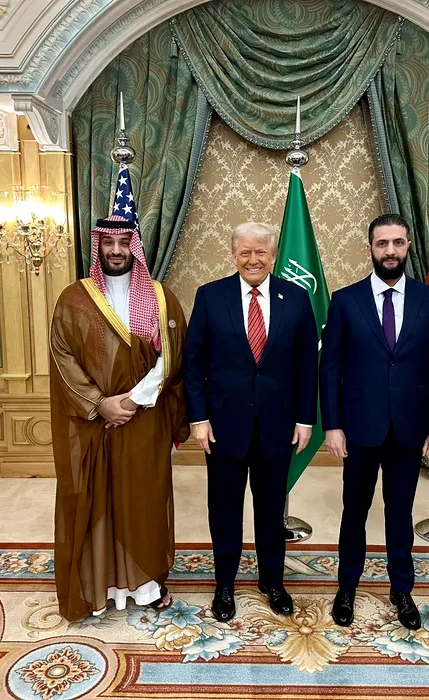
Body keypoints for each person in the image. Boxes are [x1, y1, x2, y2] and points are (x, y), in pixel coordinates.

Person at [49, 215, 189, 622]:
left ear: (135, 248)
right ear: (98, 246)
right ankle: (99, 587)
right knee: (97, 500)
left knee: (143, 500)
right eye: (108, 242)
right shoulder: (74, 298)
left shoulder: (162, 297)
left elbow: (173, 356)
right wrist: (99, 403)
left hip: (145, 420)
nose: (115, 250)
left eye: (124, 242)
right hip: (92, 422)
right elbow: (62, 357)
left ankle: (145, 586)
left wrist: (132, 401)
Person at [320, 213, 429, 630]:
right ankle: (347, 587)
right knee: (354, 512)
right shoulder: (345, 300)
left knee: (400, 512)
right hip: (359, 428)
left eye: (397, 242)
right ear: (370, 248)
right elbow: (330, 368)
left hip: (409, 429)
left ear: (408, 245)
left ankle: (402, 590)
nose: (390, 251)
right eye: (382, 244)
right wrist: (332, 425)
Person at [184, 222, 318, 622]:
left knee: (271, 510)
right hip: (223, 426)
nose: (253, 259)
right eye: (245, 252)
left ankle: (272, 582)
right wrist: (198, 419)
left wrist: (305, 419)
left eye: (261, 252)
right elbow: (194, 363)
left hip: (278, 425)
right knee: (224, 510)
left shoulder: (296, 298)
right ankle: (224, 584)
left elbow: (307, 365)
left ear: (273, 255)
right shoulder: (210, 296)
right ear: (234, 255)